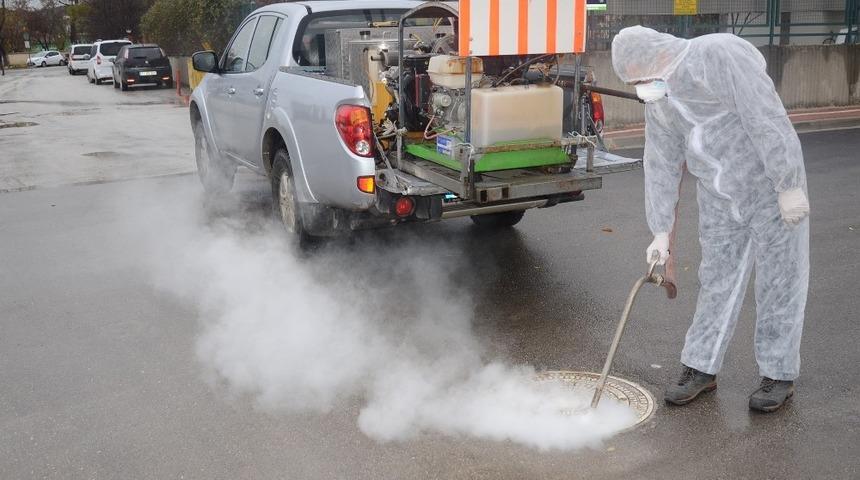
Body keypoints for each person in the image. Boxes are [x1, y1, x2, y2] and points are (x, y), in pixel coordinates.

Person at [611, 26, 810, 413]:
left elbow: (764, 115)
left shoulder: (716, 55)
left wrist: (788, 184)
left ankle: (779, 373)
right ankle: (701, 366)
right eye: (634, 82)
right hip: (719, 195)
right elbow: (661, 162)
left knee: (780, 280)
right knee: (716, 280)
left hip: (770, 187)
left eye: (640, 76)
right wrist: (660, 231)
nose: (642, 87)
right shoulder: (660, 98)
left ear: (658, 56)